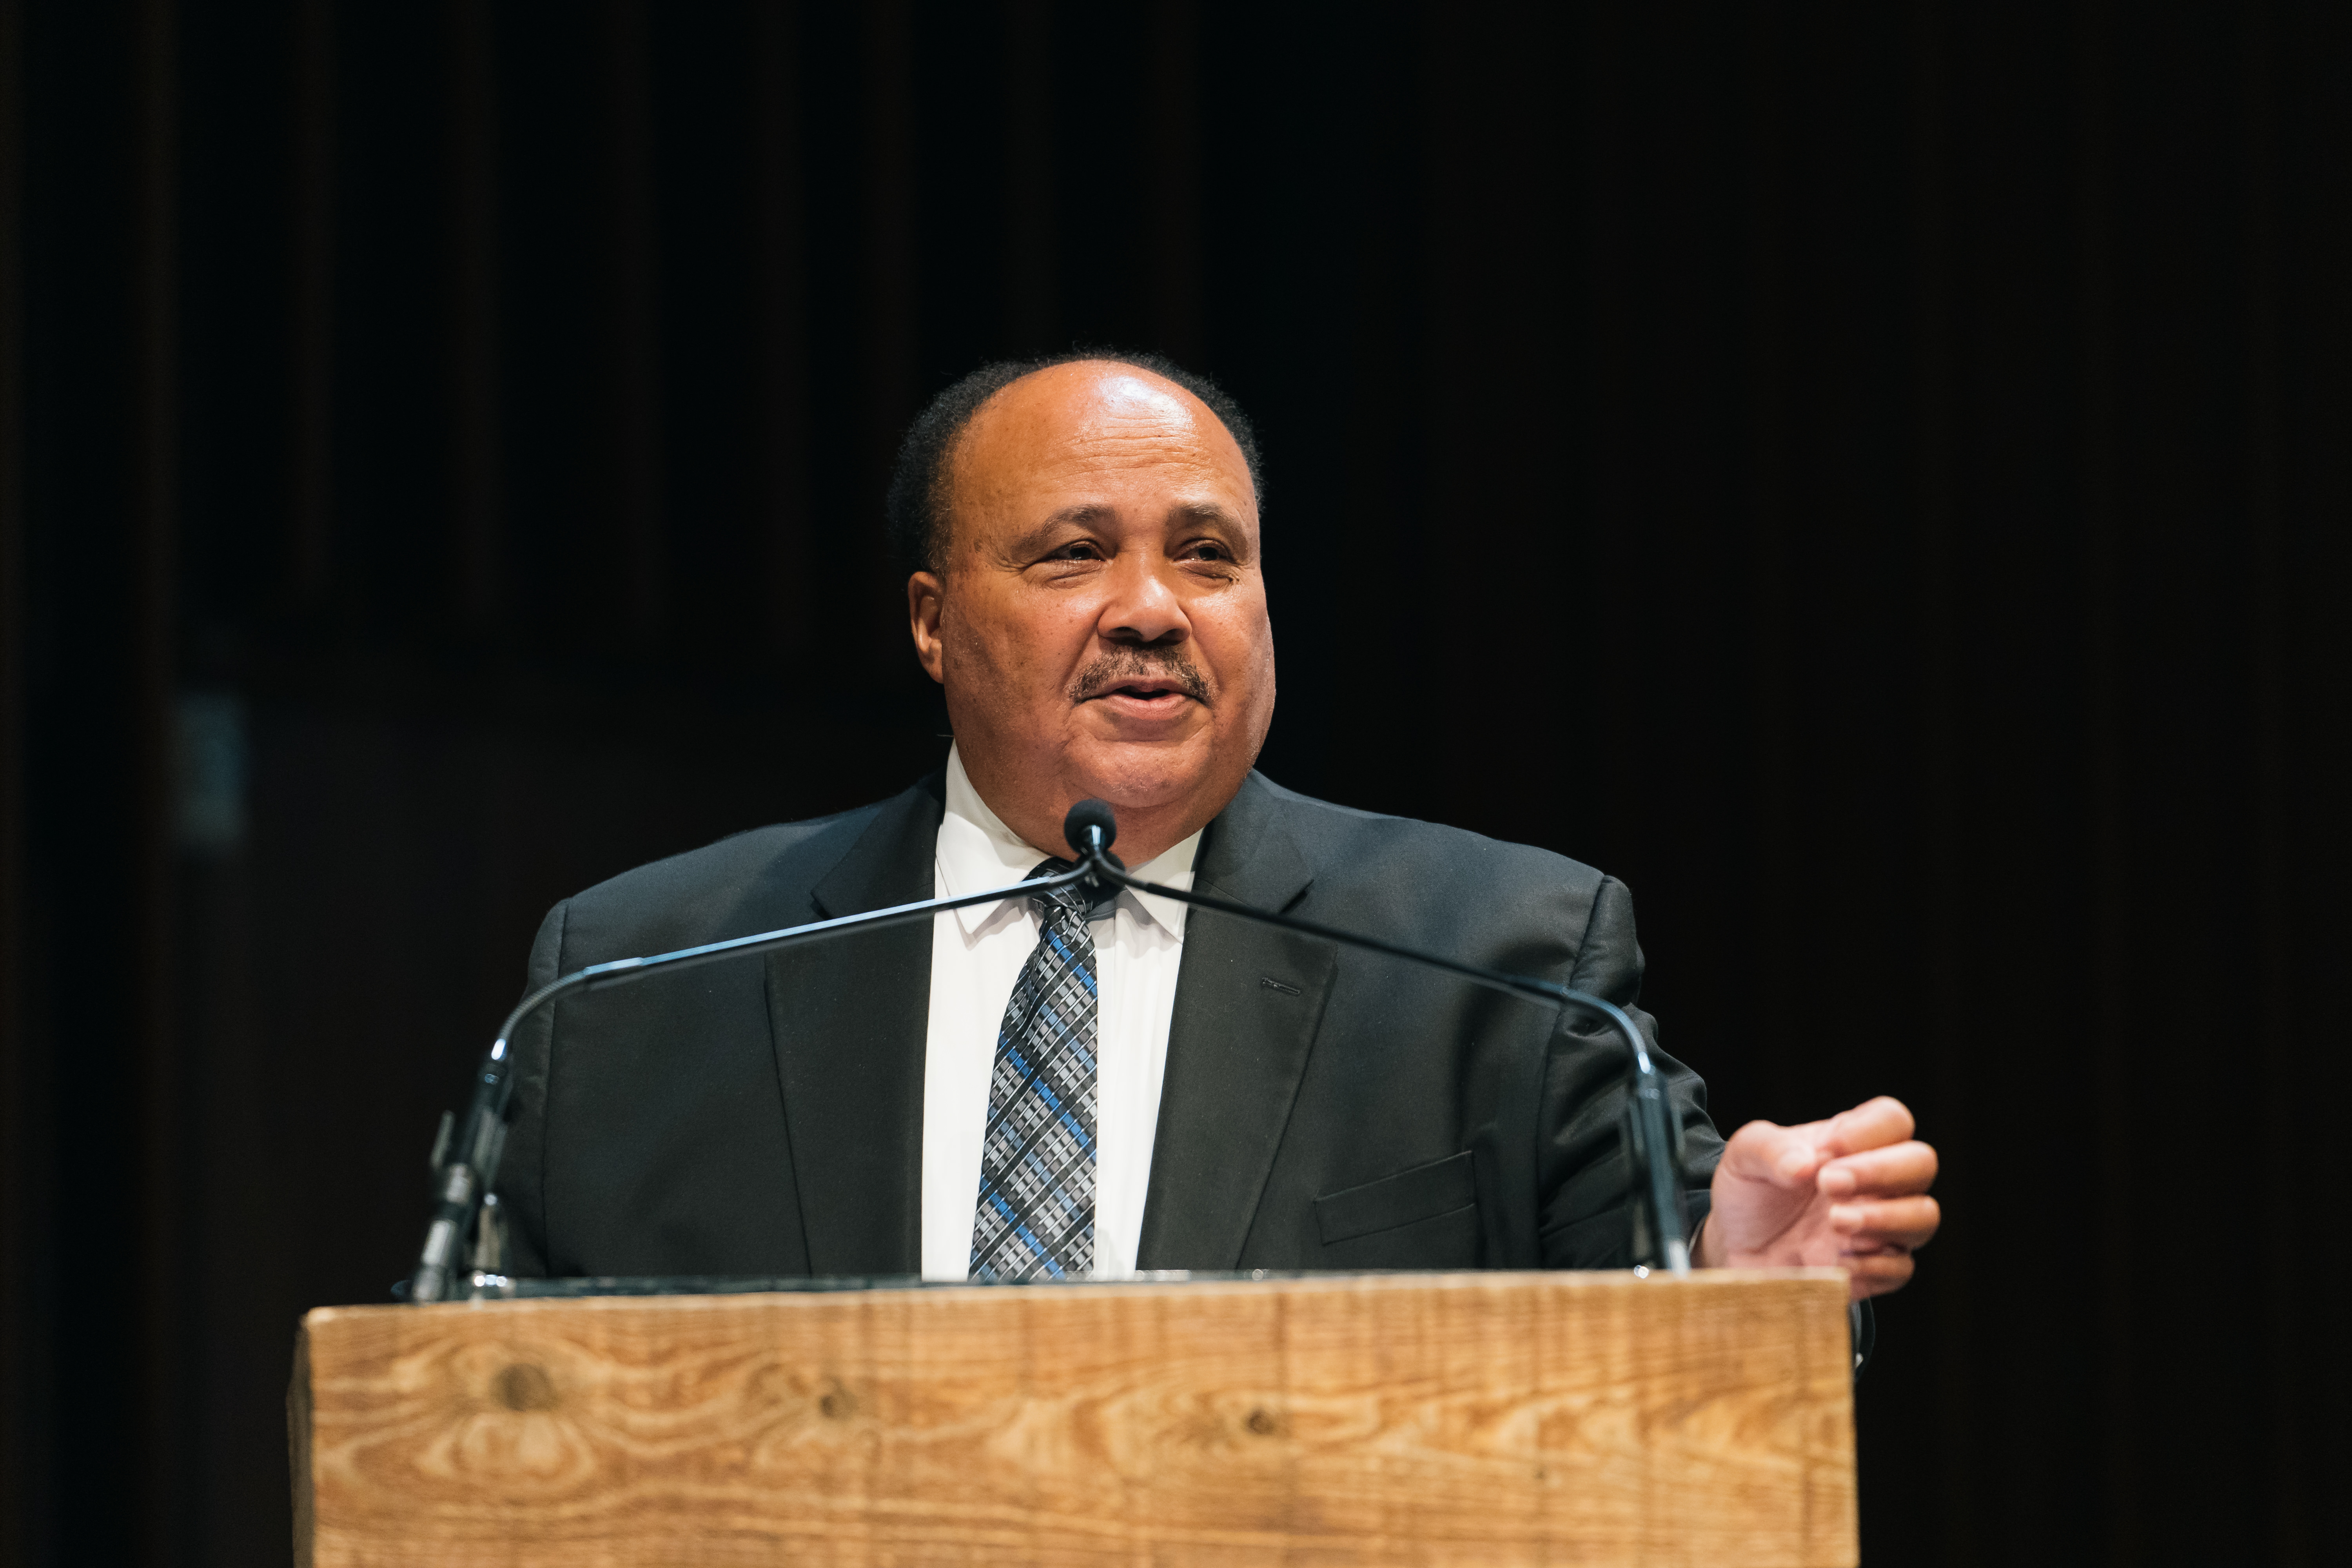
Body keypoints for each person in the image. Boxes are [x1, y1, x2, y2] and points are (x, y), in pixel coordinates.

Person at [494, 352, 1939, 1299]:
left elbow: (1653, 1356)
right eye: (1075, 554)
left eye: (1208, 556)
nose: (1151, 608)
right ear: (933, 622)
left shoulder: (1498, 962)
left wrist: (1736, 1295)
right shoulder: (641, 980)